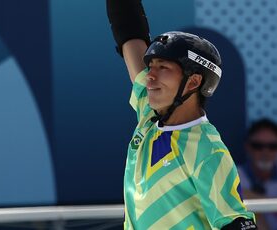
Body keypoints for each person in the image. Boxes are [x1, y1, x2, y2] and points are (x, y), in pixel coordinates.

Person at [106, 0, 257, 229]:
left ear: (193, 81)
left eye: (162, 68)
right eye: (151, 66)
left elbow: (234, 222)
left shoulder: (207, 149)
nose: (149, 76)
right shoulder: (150, 115)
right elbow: (129, 32)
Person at [238, 118, 277, 230]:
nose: (265, 152)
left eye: (272, 146)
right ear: (248, 147)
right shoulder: (234, 173)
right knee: (254, 214)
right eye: (258, 146)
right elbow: (234, 193)